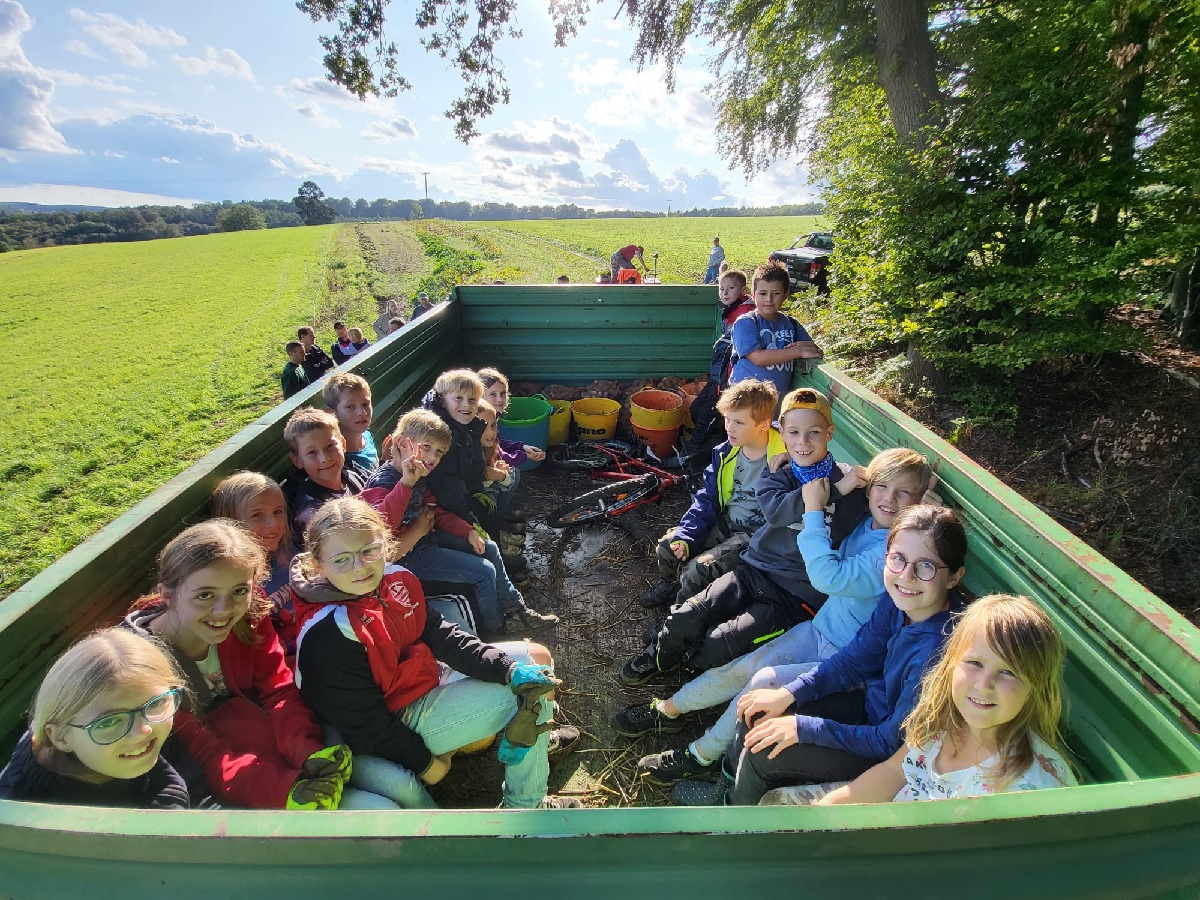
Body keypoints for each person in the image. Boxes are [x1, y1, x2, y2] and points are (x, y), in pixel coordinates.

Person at [617, 448, 936, 786]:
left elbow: (829, 577)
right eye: (882, 487)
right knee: (745, 666)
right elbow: (832, 466)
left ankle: (702, 754)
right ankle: (670, 710)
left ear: (917, 502)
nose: (889, 499)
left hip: (848, 656)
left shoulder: (891, 551)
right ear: (869, 487)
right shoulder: (870, 519)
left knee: (762, 681)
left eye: (904, 493)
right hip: (821, 630)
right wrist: (792, 465)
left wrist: (813, 511)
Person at [291, 498, 582, 809]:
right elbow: (366, 727)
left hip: (422, 681)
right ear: (318, 564)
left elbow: (442, 636)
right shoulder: (328, 634)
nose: (360, 567)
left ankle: (532, 749)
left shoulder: (392, 579)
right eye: (342, 560)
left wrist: (507, 670)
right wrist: (427, 764)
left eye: (368, 551)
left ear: (385, 544)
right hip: (396, 720)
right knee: (531, 694)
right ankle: (525, 808)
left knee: (536, 662)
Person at [677, 504, 968, 806]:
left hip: (884, 751)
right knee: (760, 707)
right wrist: (789, 693)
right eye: (897, 559)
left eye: (925, 566)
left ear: (954, 577)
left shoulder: (937, 651)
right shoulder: (898, 603)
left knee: (761, 751)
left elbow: (890, 741)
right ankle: (724, 786)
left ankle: (735, 818)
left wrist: (804, 728)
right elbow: (853, 661)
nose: (906, 576)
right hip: (870, 705)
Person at [620, 387, 867, 685]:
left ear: (829, 433)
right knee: (684, 606)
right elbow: (763, 509)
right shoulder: (777, 473)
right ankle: (666, 644)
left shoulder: (851, 484)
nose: (802, 442)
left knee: (714, 639)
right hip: (755, 568)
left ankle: (688, 668)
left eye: (813, 432)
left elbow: (890, 498)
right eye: (794, 433)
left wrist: (912, 495)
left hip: (795, 594)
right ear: (784, 432)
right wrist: (686, 534)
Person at [124, 520, 355, 810]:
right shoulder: (145, 669)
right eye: (205, 595)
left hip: (288, 741)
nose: (224, 610)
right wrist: (285, 789)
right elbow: (205, 754)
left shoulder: (249, 614)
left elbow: (279, 690)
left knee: (392, 787)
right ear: (168, 594)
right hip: (242, 787)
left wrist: (308, 751)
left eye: (238, 591)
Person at [788, 594, 1077, 806]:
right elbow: (893, 772)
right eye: (974, 663)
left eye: (1008, 672)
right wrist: (825, 813)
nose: (984, 684)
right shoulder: (941, 720)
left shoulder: (1028, 789)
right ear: (950, 664)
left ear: (1036, 686)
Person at [0, 628, 212, 809]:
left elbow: (195, 792)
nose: (143, 730)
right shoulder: (30, 811)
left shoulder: (148, 718)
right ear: (61, 738)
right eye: (109, 721)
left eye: (156, 702)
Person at [421, 369, 558, 635]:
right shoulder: (440, 434)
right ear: (443, 398)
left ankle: (515, 610)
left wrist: (476, 497)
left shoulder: (467, 426)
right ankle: (498, 626)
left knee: (490, 536)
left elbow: (474, 467)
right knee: (486, 556)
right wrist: (471, 522)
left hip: (455, 503)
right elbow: (447, 492)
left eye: (472, 400)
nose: (466, 405)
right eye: (458, 398)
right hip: (438, 515)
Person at [360, 409, 512, 639]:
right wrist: (406, 484)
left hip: (426, 539)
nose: (432, 457)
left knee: (487, 547)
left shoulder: (420, 477)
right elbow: (381, 525)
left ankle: (511, 604)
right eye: (427, 447)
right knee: (483, 572)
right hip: (408, 556)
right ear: (402, 443)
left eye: (439, 452)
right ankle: (496, 630)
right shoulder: (385, 480)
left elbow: (435, 511)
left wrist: (467, 530)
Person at [638, 379, 784, 610]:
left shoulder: (784, 458)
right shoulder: (726, 452)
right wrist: (687, 534)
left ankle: (678, 616)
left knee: (696, 571)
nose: (729, 427)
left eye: (738, 422)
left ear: (763, 426)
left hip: (755, 536)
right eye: (727, 419)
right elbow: (707, 497)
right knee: (669, 546)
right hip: (726, 521)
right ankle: (670, 586)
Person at [209, 472, 299, 654]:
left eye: (278, 512)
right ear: (231, 524)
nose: (273, 523)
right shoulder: (237, 579)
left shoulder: (289, 550)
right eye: (257, 515)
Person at [680, 268, 757, 459]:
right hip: (716, 376)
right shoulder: (730, 311)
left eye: (731, 288)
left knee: (707, 415)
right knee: (696, 409)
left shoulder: (747, 314)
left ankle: (691, 456)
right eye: (722, 289)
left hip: (727, 380)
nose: (725, 293)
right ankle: (716, 444)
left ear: (743, 291)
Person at [729, 262, 823, 406]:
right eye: (762, 293)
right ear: (753, 294)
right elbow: (758, 358)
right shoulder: (746, 322)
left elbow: (814, 350)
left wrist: (803, 347)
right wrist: (797, 351)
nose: (769, 299)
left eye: (776, 293)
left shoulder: (791, 324)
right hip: (744, 405)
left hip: (776, 407)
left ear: (786, 294)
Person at [279, 407, 365, 540]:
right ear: (297, 460)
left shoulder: (351, 475)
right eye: (312, 452)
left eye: (330, 446)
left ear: (343, 444)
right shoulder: (311, 512)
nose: (324, 458)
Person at [477, 399, 529, 581]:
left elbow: (503, 460)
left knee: (511, 474)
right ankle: (496, 550)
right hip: (475, 503)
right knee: (488, 499)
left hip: (490, 487)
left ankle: (499, 529)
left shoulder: (489, 446)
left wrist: (500, 475)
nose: (491, 432)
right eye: (484, 427)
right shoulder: (469, 452)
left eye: (494, 425)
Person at [322, 372, 377, 475]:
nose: (362, 412)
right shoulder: (339, 459)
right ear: (331, 413)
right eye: (350, 407)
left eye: (365, 404)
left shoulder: (367, 435)